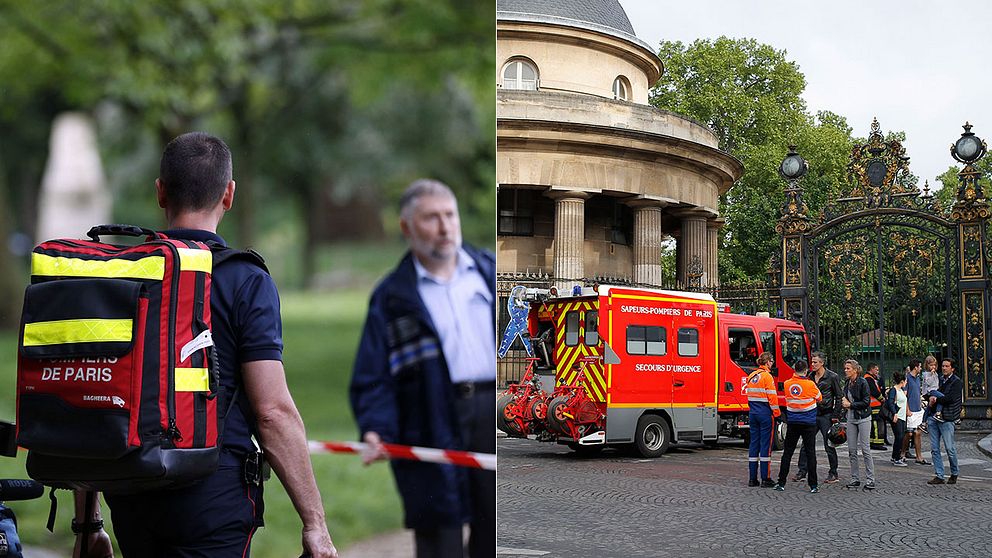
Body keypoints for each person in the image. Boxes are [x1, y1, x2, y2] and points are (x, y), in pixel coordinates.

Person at [73, 133, 337, 558]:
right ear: (229, 195)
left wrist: (88, 525)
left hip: (131, 489)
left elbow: (98, 396)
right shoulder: (245, 280)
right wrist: (315, 525)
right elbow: (272, 412)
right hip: (212, 495)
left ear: (160, 192)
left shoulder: (122, 273)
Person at [350, 179, 496, 558]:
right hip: (428, 415)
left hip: (491, 412)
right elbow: (373, 376)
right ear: (407, 227)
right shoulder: (392, 297)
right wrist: (376, 428)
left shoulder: (489, 273)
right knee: (438, 535)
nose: (446, 227)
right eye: (432, 218)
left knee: (495, 526)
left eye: (450, 215)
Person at [794, 352, 844, 484]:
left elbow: (839, 396)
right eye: (812, 362)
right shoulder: (809, 376)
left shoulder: (832, 377)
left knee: (829, 444)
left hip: (826, 414)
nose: (813, 364)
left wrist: (835, 415)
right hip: (811, 413)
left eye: (815, 362)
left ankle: (833, 473)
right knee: (806, 443)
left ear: (822, 363)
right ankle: (802, 471)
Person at [774, 360, 822, 493]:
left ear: (794, 370)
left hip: (793, 423)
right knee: (810, 453)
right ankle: (813, 485)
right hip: (808, 423)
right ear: (806, 371)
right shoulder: (810, 384)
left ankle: (781, 482)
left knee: (788, 453)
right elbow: (820, 398)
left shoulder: (787, 384)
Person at [746, 352, 780, 488]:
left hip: (753, 413)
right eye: (771, 362)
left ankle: (752, 479)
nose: (772, 364)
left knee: (754, 445)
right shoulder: (767, 376)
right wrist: (777, 413)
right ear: (768, 362)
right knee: (765, 446)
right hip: (765, 414)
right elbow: (772, 397)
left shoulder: (751, 376)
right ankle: (765, 478)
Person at [927, 358, 963, 485]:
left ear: (952, 368)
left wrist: (936, 399)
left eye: (947, 366)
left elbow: (951, 399)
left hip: (947, 418)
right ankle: (939, 475)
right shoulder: (939, 379)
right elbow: (930, 391)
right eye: (943, 366)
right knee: (934, 448)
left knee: (949, 448)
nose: (944, 368)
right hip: (934, 417)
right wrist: (931, 397)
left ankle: (954, 473)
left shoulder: (956, 382)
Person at [841, 359, 875, 491]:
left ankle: (870, 479)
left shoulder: (863, 382)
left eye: (848, 368)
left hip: (863, 417)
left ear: (855, 370)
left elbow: (866, 401)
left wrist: (851, 405)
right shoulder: (847, 383)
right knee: (852, 450)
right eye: (845, 368)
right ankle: (855, 478)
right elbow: (844, 399)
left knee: (865, 449)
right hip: (851, 417)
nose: (846, 370)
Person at [901, 359, 929, 465]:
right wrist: (907, 409)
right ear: (916, 367)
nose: (921, 369)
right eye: (920, 367)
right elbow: (904, 395)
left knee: (917, 433)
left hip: (918, 410)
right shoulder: (907, 378)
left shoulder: (918, 379)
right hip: (910, 410)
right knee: (908, 433)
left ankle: (919, 456)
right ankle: (902, 453)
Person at [887, 370, 908, 466]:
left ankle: (894, 456)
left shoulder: (901, 391)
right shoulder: (894, 390)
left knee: (900, 437)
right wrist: (894, 413)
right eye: (905, 381)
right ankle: (896, 458)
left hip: (902, 417)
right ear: (902, 381)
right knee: (899, 437)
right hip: (897, 416)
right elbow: (890, 402)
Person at [864, 362, 887, 450]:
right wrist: (882, 398)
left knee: (875, 424)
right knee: (877, 424)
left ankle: (874, 442)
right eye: (876, 370)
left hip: (874, 405)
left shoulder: (870, 378)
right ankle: (877, 444)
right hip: (874, 405)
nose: (877, 372)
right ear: (871, 369)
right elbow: (874, 391)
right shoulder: (868, 379)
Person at [920, 355, 940, 432]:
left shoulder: (935, 373)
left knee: (929, 407)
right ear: (927, 365)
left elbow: (936, 383)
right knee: (942, 397)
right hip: (929, 391)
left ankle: (924, 422)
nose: (933, 367)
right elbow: (929, 383)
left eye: (934, 365)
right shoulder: (926, 374)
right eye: (931, 365)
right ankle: (938, 413)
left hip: (935, 390)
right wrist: (931, 374)